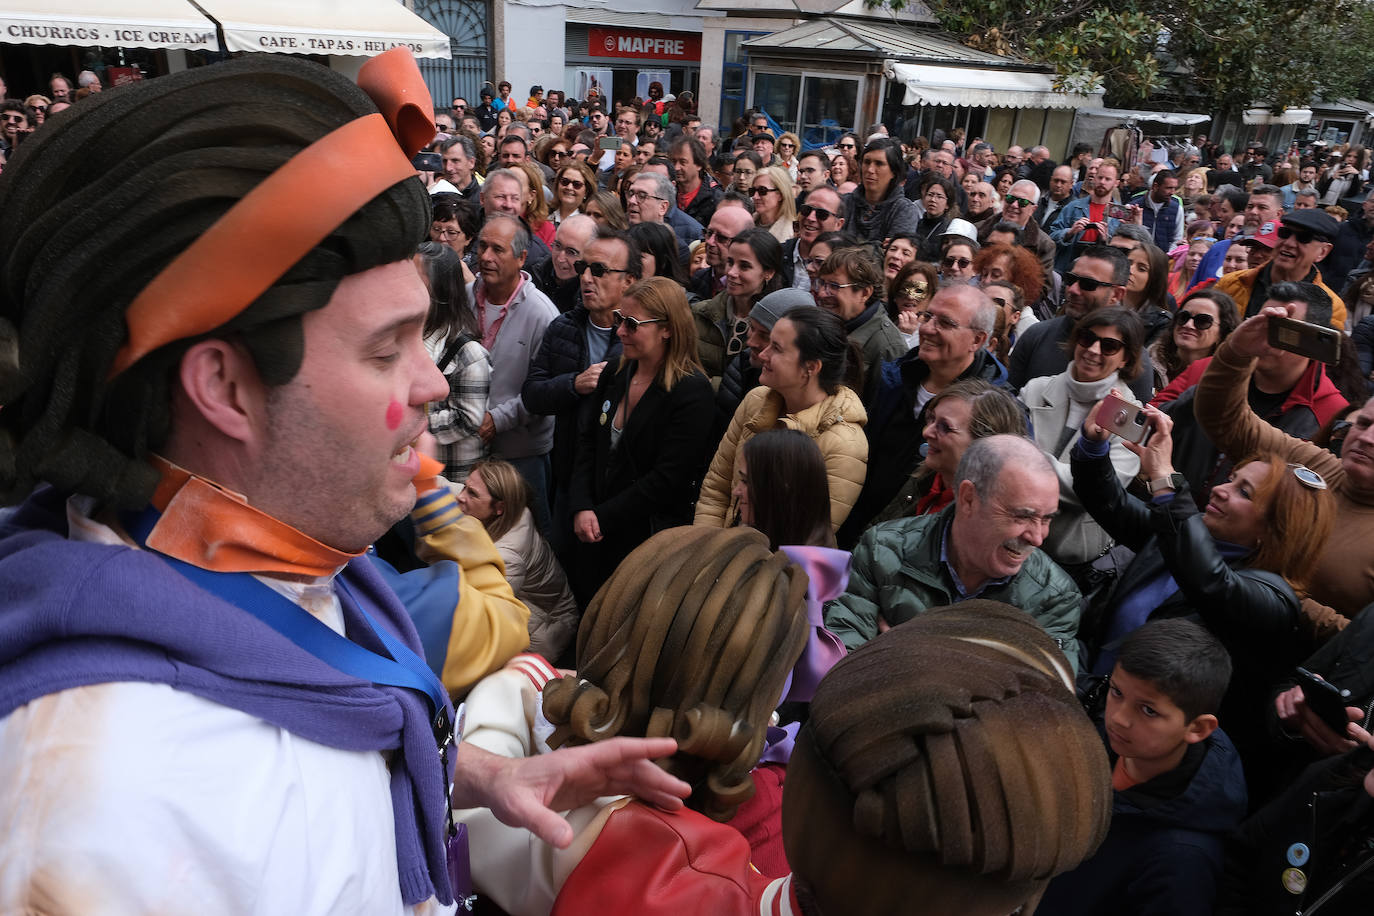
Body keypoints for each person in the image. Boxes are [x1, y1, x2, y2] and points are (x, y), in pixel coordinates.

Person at [0, 51, 691, 913]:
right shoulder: (114, 818)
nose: (432, 383)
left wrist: (479, 775)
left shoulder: (276, 548)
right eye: (383, 348)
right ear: (223, 388)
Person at [1071, 402, 1334, 776]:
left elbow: (1210, 581)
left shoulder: (1273, 600)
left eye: (1244, 492)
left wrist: (1165, 477)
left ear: (1276, 529)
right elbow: (1109, 503)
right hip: (1087, 698)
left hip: (1143, 753)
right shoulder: (1182, 534)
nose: (1222, 490)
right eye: (1232, 478)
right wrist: (1094, 443)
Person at [1037, 620, 1245, 916]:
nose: (1119, 718)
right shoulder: (1093, 739)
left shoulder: (1181, 861)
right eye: (1117, 692)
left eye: (1148, 710)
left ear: (1197, 728)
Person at [825, 435, 1082, 660]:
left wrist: (907, 657)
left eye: (1047, 519)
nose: (1037, 538)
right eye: (1023, 516)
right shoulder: (883, 550)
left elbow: (1042, 695)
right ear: (969, 499)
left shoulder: (1054, 597)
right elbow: (840, 665)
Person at [568, 277, 715, 602]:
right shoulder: (615, 373)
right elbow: (588, 443)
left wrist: (602, 516)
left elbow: (668, 478)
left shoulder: (692, 392)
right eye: (619, 319)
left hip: (645, 541)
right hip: (593, 534)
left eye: (632, 324)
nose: (620, 331)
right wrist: (581, 506)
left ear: (667, 329)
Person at [1153, 283, 1347, 511]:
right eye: (1263, 323)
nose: (1266, 337)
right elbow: (1149, 424)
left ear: (1311, 341)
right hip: (1168, 509)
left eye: (1281, 329)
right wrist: (1208, 392)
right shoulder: (1210, 370)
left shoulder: (1330, 412)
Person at [838, 284, 1006, 547]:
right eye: (927, 316)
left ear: (977, 340)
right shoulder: (891, 378)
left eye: (946, 323)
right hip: (851, 534)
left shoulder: (995, 414)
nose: (927, 329)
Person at [696, 307, 869, 532]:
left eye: (776, 348)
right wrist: (708, 545)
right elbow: (716, 489)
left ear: (811, 367)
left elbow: (805, 535)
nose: (763, 354)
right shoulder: (756, 400)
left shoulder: (844, 445)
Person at [521, 228, 636, 549]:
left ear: (628, 281)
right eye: (583, 267)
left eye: (598, 270)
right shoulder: (564, 327)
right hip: (569, 475)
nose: (586, 277)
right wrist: (574, 384)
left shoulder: (641, 336)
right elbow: (532, 394)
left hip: (621, 484)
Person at [1021, 308, 1145, 572]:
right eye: (1087, 338)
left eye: (1109, 346)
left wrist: (1025, 460)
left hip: (1069, 553)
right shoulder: (1036, 388)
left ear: (1126, 358)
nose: (1093, 350)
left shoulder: (1129, 416)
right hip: (1013, 528)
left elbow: (1093, 492)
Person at [456, 460, 578, 662]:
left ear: (499, 507)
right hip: (537, 609)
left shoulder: (506, 556)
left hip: (544, 630)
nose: (460, 497)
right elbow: (448, 490)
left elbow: (479, 613)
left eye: (472, 493)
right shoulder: (514, 509)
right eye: (464, 487)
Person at [1008, 246, 1157, 402]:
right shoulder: (1036, 336)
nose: (1073, 289)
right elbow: (1008, 402)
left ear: (1117, 294)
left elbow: (1135, 414)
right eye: (1071, 279)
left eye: (1088, 284)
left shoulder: (1135, 359)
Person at [870, 379, 1026, 523]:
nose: (927, 432)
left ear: (984, 446)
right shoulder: (925, 481)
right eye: (931, 419)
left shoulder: (989, 520)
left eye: (945, 427)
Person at [691, 228, 785, 426]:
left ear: (768, 273)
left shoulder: (779, 329)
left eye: (744, 266)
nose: (731, 273)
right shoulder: (700, 313)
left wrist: (712, 383)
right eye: (730, 262)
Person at [417, 241, 490, 482]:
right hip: (413, 469)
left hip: (451, 477)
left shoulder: (469, 354)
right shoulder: (407, 340)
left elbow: (468, 419)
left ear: (440, 289)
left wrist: (410, 425)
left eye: (417, 280)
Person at [1215, 209, 1348, 328]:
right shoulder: (1230, 283)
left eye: (1303, 238)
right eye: (1285, 233)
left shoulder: (1333, 307)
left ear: (1323, 252)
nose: (1289, 243)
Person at [814, 245, 907, 400]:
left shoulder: (887, 346)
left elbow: (881, 408)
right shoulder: (825, 324)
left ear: (864, 293)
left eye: (834, 286)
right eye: (822, 283)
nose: (822, 293)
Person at [1148, 287, 1237, 388]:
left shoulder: (1226, 380)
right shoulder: (1147, 362)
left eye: (1202, 321)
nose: (1188, 325)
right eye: (1184, 317)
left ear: (1222, 332)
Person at [1050, 159, 1123, 273]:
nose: (1102, 182)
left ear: (1116, 183)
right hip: (1066, 270)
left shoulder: (1119, 215)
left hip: (1099, 274)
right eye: (1100, 177)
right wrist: (1069, 233)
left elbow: (1122, 253)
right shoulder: (1073, 207)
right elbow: (1051, 236)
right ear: (1095, 178)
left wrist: (1106, 240)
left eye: (1107, 179)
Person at [842, 139, 920, 246]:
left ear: (894, 171)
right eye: (867, 162)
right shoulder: (844, 202)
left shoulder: (904, 210)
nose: (870, 170)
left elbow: (893, 253)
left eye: (879, 164)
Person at [429, 193, 480, 284]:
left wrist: (471, 283)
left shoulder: (479, 270)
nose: (441, 238)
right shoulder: (420, 262)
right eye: (436, 229)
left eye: (451, 232)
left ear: (468, 238)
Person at [887, 260, 938, 348]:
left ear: (931, 297)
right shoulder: (881, 323)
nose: (910, 297)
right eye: (904, 289)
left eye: (919, 291)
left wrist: (905, 336)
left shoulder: (932, 333)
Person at [913, 176, 959, 260]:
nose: (933, 200)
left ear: (947, 204)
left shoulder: (949, 230)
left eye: (939, 196)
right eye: (930, 195)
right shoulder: (915, 223)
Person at [751, 165, 797, 242]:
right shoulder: (746, 223)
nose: (755, 197)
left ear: (780, 195)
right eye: (752, 191)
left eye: (762, 191)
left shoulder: (790, 235)